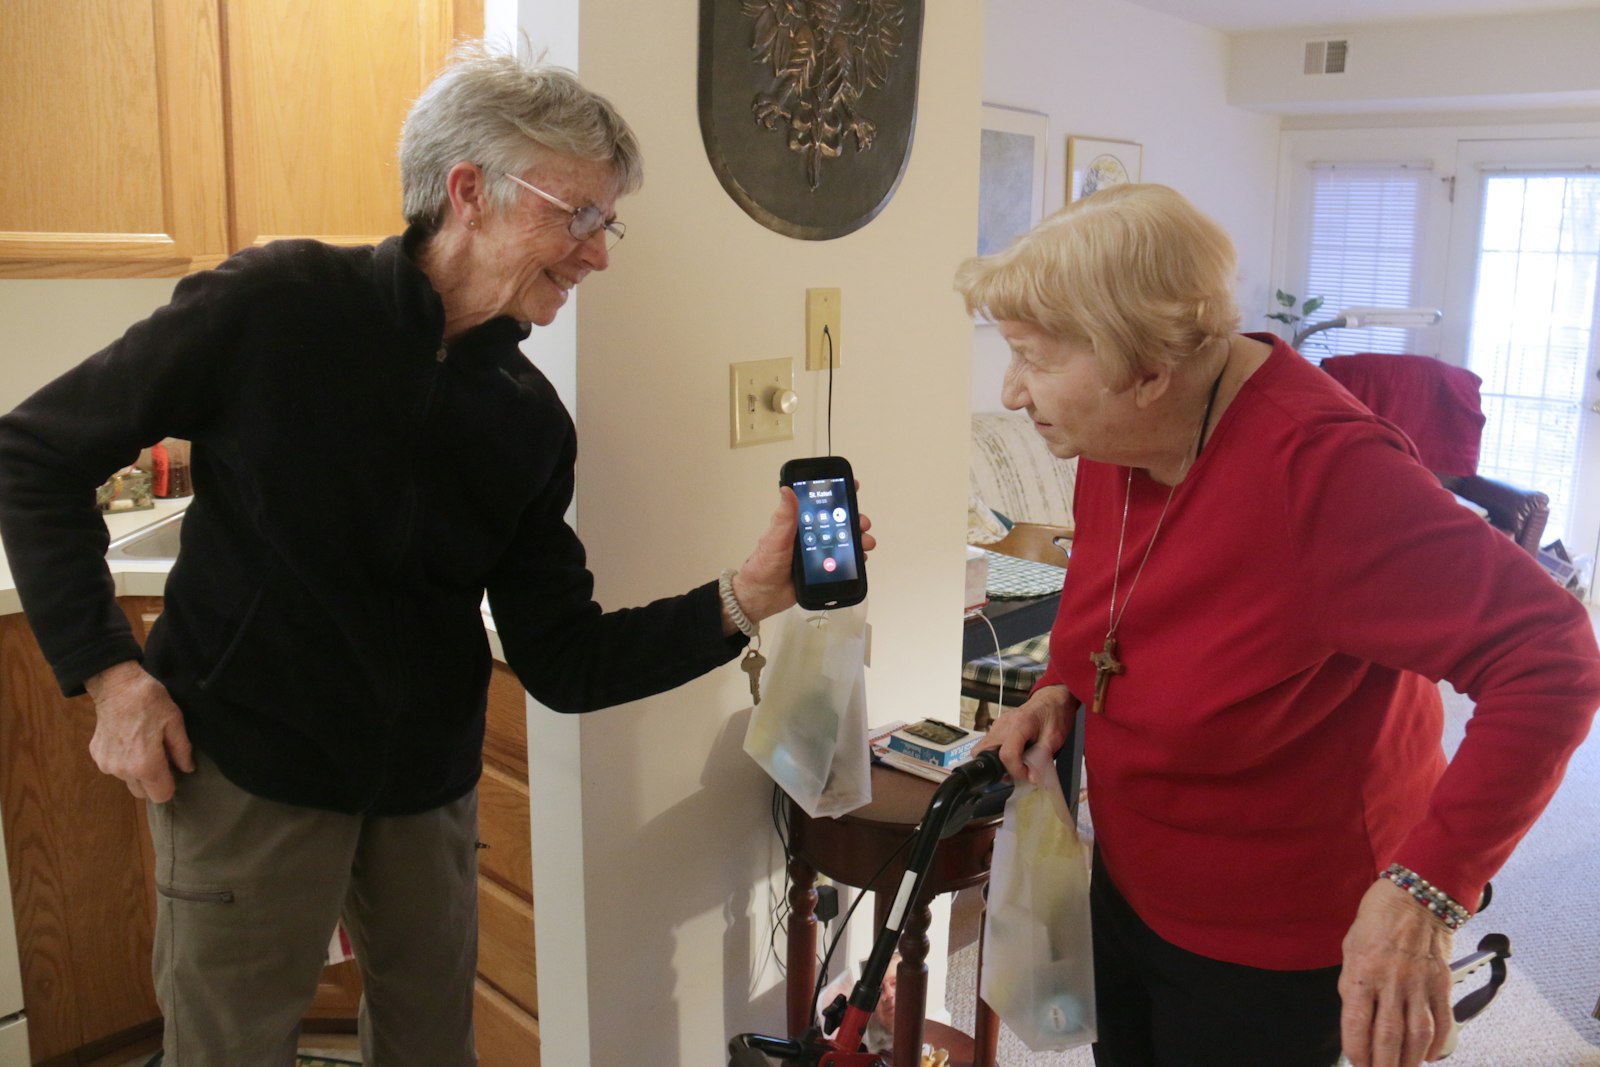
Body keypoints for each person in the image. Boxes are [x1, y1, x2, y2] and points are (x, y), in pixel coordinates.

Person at [0, 45, 869, 1067]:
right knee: (226, 1048)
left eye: (607, 222)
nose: (599, 252)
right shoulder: (274, 305)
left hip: (425, 789)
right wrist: (109, 676)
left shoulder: (526, 416)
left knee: (429, 1048)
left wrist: (745, 596)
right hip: (247, 766)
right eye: (578, 214)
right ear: (470, 192)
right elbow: (32, 453)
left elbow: (566, 656)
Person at [954, 183, 1600, 1067]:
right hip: (1138, 867)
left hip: (1281, 922)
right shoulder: (1120, 434)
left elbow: (1554, 657)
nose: (1012, 389)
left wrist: (1428, 889)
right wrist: (1063, 677)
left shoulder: (1327, 477)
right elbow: (1106, 568)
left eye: (1033, 358)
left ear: (1148, 372)